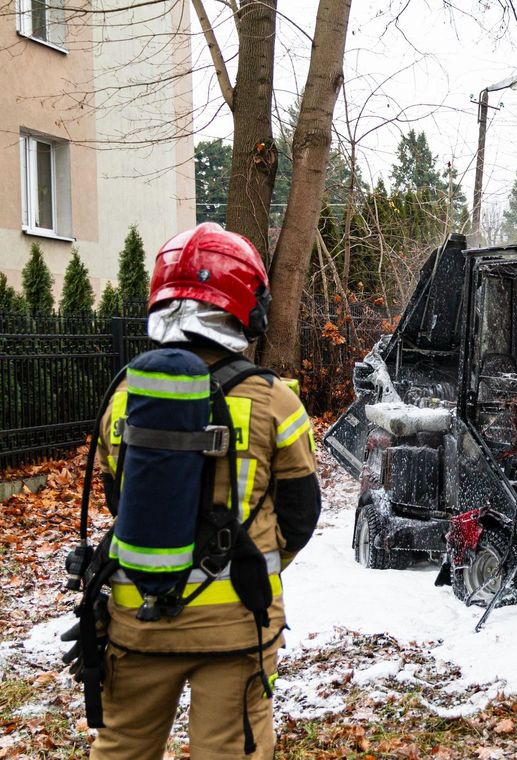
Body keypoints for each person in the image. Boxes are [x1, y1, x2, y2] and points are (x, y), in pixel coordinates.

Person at [88, 223, 322, 758]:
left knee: (121, 745)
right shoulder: (274, 402)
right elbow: (300, 515)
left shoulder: (123, 397)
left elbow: (118, 502)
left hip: (138, 615)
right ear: (245, 304)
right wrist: (246, 557)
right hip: (235, 626)